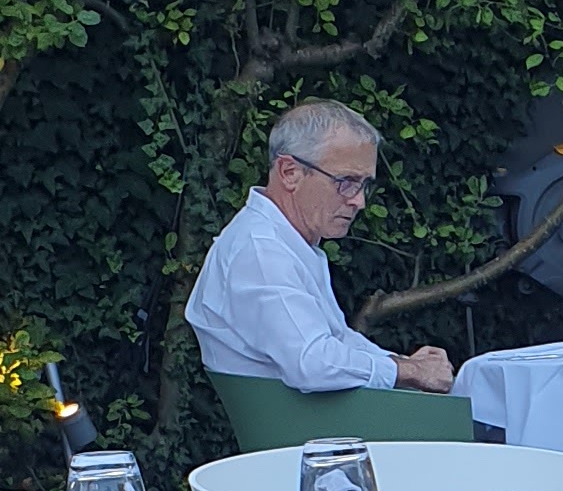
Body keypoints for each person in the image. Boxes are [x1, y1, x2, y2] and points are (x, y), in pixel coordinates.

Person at [185, 99, 456, 397]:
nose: (359, 201)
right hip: (299, 424)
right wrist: (409, 371)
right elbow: (313, 363)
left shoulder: (283, 241)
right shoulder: (261, 251)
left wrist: (405, 364)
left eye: (364, 184)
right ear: (289, 172)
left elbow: (337, 342)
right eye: (346, 181)